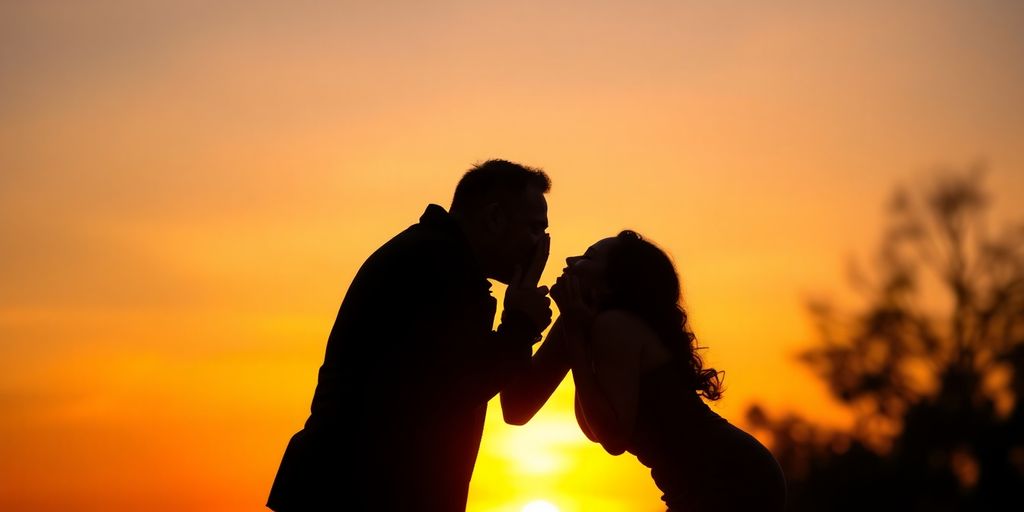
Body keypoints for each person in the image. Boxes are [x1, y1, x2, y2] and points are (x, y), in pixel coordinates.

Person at [268, 159, 554, 511]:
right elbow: (456, 389)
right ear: (494, 219)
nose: (542, 246)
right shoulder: (439, 269)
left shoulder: (434, 256)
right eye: (534, 229)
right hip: (358, 491)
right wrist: (520, 328)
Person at [501, 230, 787, 511]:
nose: (570, 260)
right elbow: (516, 409)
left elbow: (613, 438)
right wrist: (523, 311)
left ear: (611, 285)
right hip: (696, 483)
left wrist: (577, 340)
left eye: (588, 257)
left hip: (732, 477)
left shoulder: (615, 325)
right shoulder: (579, 323)